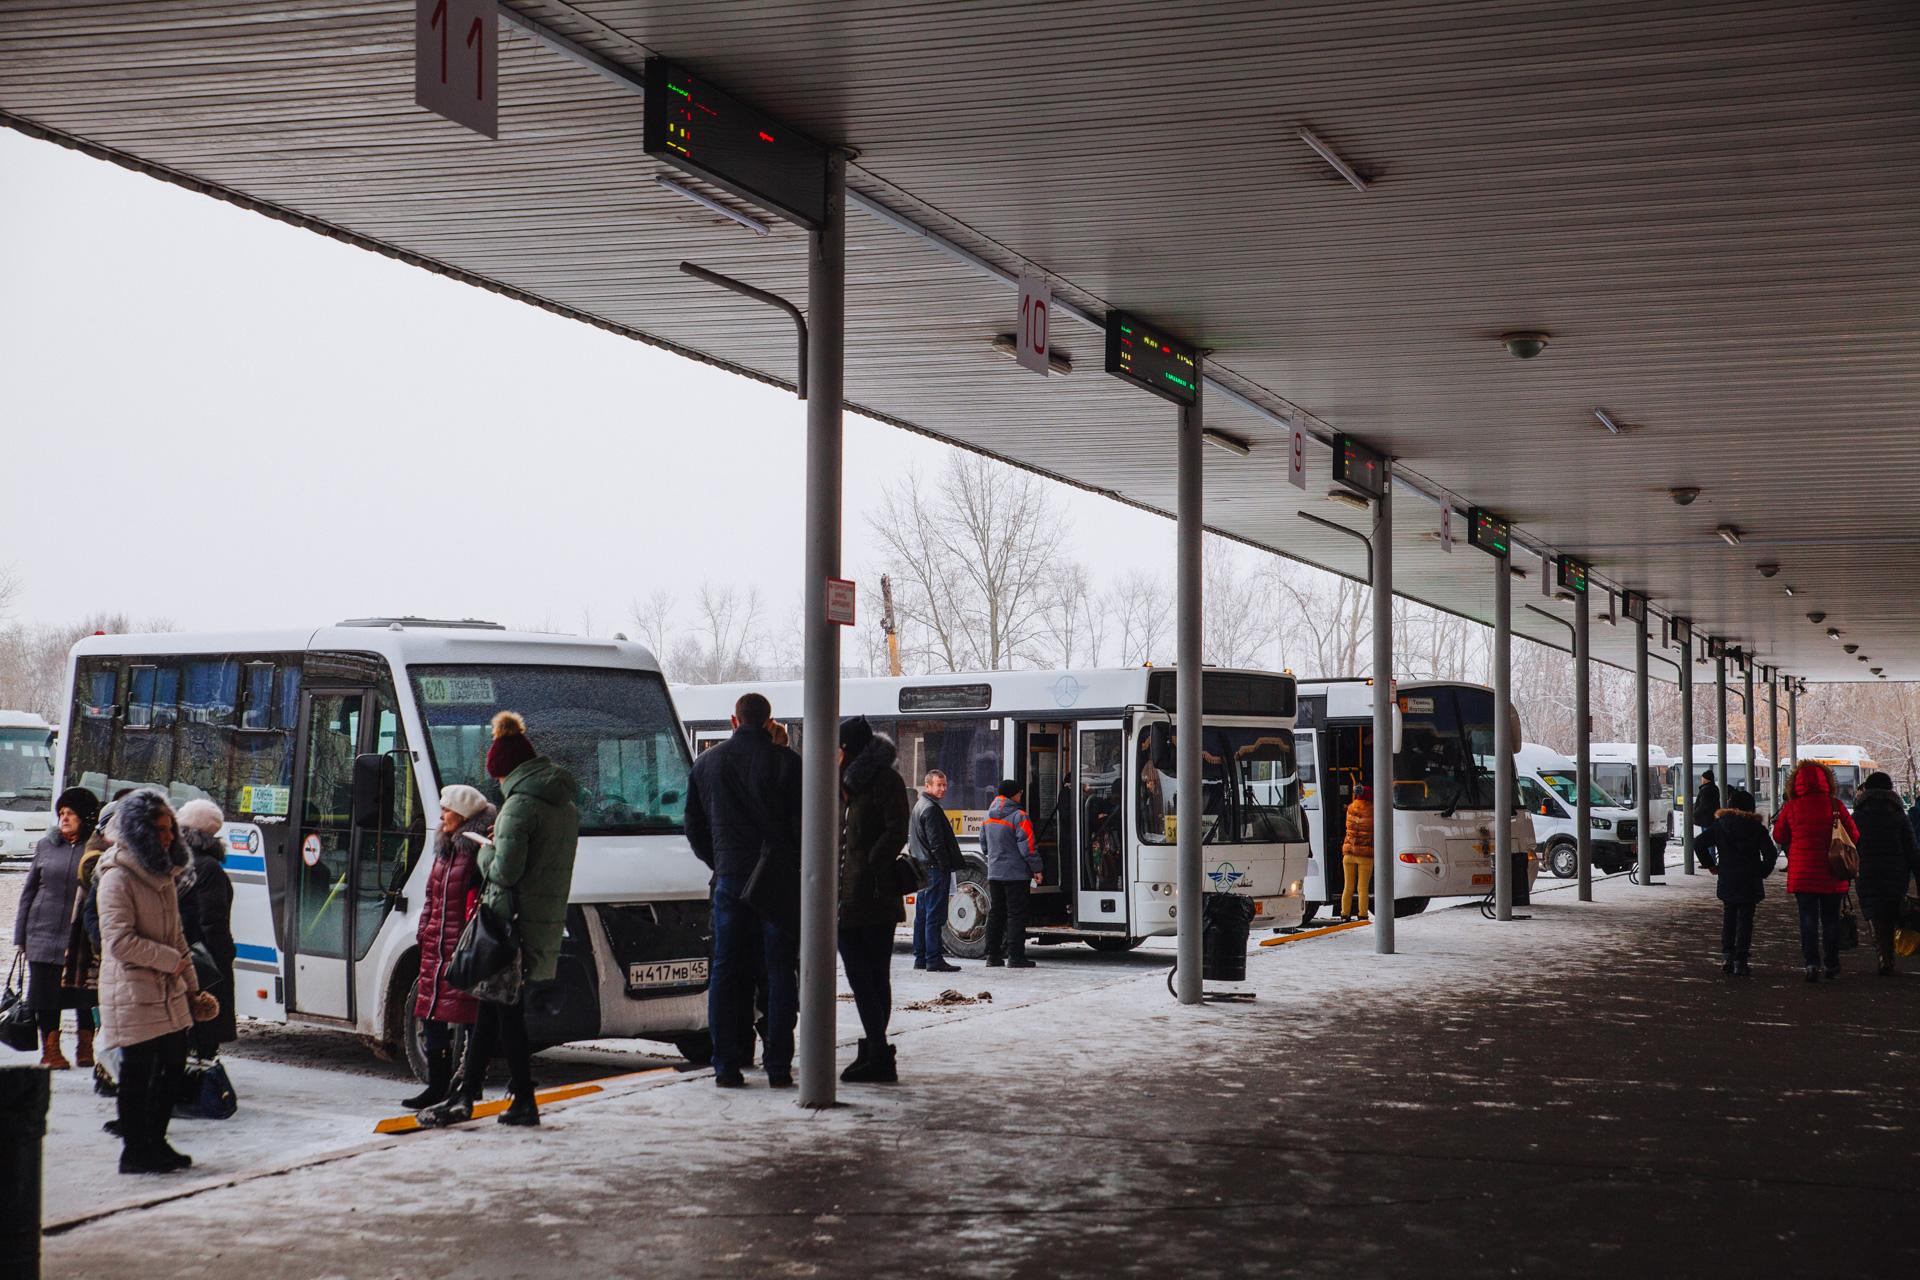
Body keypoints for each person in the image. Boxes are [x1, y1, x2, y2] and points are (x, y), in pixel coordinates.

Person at [420, 711, 580, 1128]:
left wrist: (486, 849)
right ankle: (471, 1094)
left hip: (507, 923)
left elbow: (505, 872)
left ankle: (511, 1098)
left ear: (505, 771)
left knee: (503, 1011)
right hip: (537, 919)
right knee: (494, 1007)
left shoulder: (518, 809)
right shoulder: (563, 806)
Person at [683, 692, 802, 1089]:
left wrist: (720, 863)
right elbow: (803, 827)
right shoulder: (788, 764)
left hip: (729, 880)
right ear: (770, 722)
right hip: (777, 885)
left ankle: (726, 1065)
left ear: (734, 720)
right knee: (780, 970)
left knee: (726, 973)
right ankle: (779, 1065)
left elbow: (694, 829)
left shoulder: (706, 765)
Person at [96, 788, 215, 1174]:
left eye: (170, 829)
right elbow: (119, 942)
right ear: (140, 830)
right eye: (160, 830)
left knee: (171, 1067)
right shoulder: (117, 877)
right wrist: (170, 962)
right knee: (137, 1074)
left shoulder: (164, 873)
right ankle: (135, 1149)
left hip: (167, 990)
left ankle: (156, 1141)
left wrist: (192, 984)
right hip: (134, 990)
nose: (167, 836)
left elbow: (176, 934)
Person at [406, 783, 493, 1109]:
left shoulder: (477, 851)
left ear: (463, 814)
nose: (442, 815)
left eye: (447, 810)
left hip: (465, 948)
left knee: (471, 1016)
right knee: (430, 1014)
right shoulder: (444, 849)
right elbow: (431, 897)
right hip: (436, 946)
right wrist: (424, 931)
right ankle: (438, 1083)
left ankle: (469, 1081)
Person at [836, 715, 909, 1084]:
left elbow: (897, 829)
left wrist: (871, 864)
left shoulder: (884, 781)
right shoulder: (843, 784)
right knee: (862, 974)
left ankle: (878, 1051)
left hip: (875, 893)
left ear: (848, 750)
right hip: (844, 895)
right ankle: (875, 1049)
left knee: (871, 975)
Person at [12, 786, 103, 1069]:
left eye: (71, 813)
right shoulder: (46, 846)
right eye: (61, 813)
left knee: (85, 994)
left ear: (86, 817)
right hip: (42, 932)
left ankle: (85, 1046)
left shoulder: (97, 848)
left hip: (79, 936)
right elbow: (28, 891)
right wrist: (21, 934)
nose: (64, 818)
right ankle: (51, 1050)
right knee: (44, 994)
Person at [1772, 760, 1859, 982]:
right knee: (1830, 919)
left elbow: (1779, 837)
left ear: (1795, 783)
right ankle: (1832, 963)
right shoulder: (1835, 805)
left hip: (1803, 874)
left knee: (1807, 919)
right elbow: (1854, 835)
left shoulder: (1792, 807)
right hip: (1833, 870)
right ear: (1827, 781)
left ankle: (1811, 964)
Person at [175, 799, 236, 1060]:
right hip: (202, 960)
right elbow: (212, 921)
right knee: (204, 1026)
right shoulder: (209, 868)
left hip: (176, 953)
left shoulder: (173, 860)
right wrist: (224, 956)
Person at [1695, 786, 1779, 976]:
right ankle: (1740, 960)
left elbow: (1699, 843)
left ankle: (1727, 956)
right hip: (1749, 879)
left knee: (1729, 916)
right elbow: (1770, 853)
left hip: (1728, 877)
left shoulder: (1721, 825)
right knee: (1746, 920)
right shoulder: (1756, 828)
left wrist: (1711, 865)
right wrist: (1762, 872)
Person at [1848, 772, 1920, 977]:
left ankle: (1883, 955)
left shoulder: (1858, 817)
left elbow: (1850, 846)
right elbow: (1911, 848)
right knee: (1891, 909)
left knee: (1873, 912)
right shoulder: (1899, 816)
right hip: (1896, 871)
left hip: (1866, 871)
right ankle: (1888, 953)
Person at [909, 770, 965, 974]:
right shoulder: (931, 809)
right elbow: (936, 843)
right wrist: (944, 866)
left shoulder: (919, 806)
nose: (942, 789)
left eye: (944, 785)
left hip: (923, 867)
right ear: (927, 786)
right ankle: (933, 958)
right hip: (933, 868)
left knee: (922, 914)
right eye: (938, 785)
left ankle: (921, 957)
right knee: (934, 914)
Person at [982, 778, 1040, 970]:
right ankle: (1016, 957)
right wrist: (1037, 869)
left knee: (996, 913)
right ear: (1014, 794)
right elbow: (1028, 847)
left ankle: (992, 956)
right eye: (1020, 792)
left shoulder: (988, 816)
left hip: (995, 872)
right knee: (1015, 915)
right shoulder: (1019, 816)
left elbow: (984, 846)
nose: (1020, 795)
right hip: (1015, 874)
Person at [1340, 784, 1374, 921]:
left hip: (1348, 854)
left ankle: (1344, 914)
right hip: (1365, 855)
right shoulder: (1372, 810)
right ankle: (1362, 914)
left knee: (1347, 886)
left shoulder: (1350, 808)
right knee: (1362, 887)